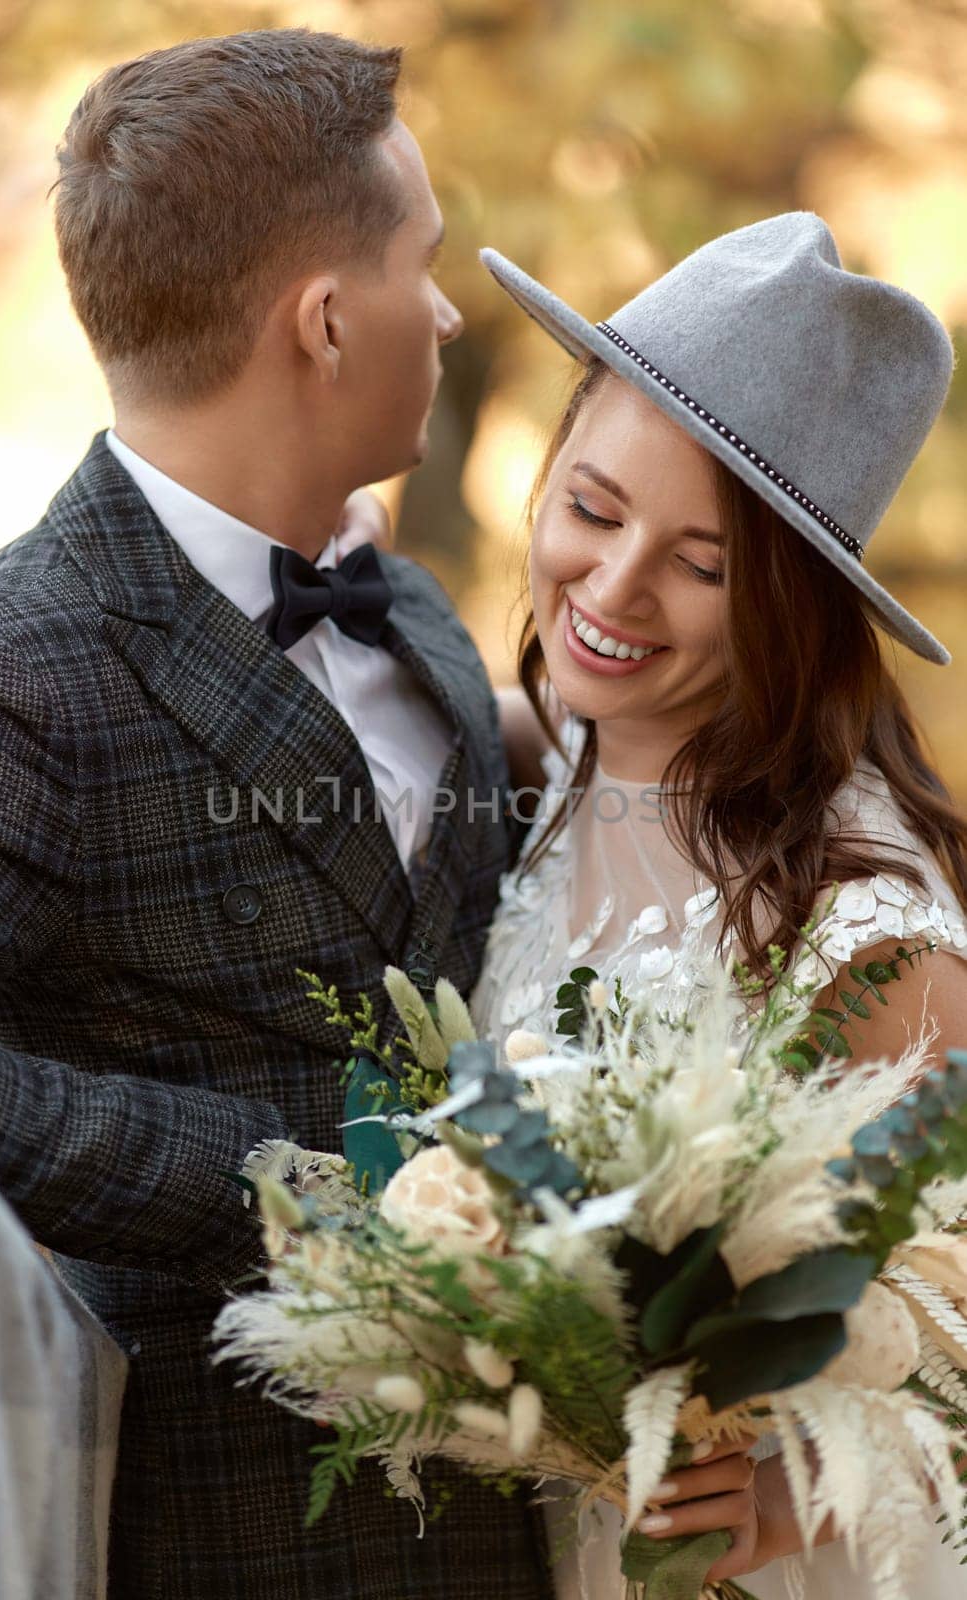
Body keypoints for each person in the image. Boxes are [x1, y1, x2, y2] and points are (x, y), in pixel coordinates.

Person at [0, 29, 553, 1600]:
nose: (451, 307)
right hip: (221, 1545)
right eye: (427, 261)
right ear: (326, 322)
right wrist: (300, 1185)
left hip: (529, 1524)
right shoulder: (7, 668)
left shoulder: (407, 605)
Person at [466, 214, 967, 1596]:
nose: (612, 591)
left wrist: (771, 1505)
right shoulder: (548, 764)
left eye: (702, 564)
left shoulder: (867, 928)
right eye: (592, 507)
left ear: (797, 605)